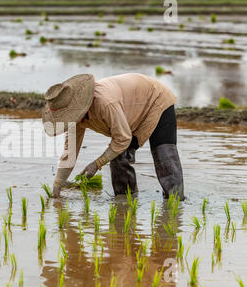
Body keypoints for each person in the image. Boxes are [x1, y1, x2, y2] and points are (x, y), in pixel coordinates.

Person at [42, 73, 184, 199]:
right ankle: (125, 203)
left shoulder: (105, 103)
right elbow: (70, 152)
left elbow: (122, 138)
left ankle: (176, 203)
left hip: (155, 99)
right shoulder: (76, 119)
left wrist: (97, 164)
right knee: (119, 159)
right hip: (129, 113)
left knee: (165, 156)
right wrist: (58, 185)